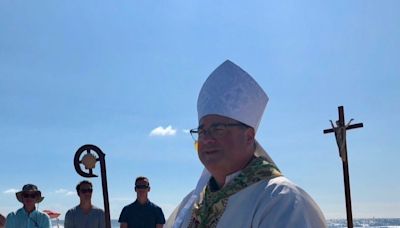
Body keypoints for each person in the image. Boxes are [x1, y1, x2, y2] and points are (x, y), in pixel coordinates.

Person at [165, 60, 327, 228]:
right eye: (201, 131)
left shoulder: (282, 201)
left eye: (218, 128)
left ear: (249, 136)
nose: (206, 139)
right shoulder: (191, 204)